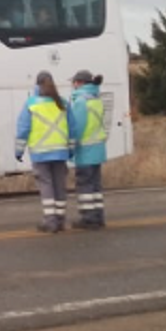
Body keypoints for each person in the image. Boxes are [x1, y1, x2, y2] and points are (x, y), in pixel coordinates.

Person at [14, 70, 73, 233]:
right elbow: (72, 127)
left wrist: (18, 151)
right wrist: (71, 149)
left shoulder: (31, 104)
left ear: (37, 85)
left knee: (46, 186)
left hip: (40, 153)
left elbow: (23, 129)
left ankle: (50, 221)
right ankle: (60, 220)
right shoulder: (63, 103)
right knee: (59, 185)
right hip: (60, 152)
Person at [67, 69, 108, 228]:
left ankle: (88, 218)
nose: (73, 85)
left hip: (85, 151)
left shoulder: (80, 102)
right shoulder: (96, 100)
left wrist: (70, 147)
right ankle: (98, 216)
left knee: (85, 186)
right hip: (97, 150)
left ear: (80, 83)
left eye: (74, 82)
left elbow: (77, 128)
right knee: (96, 187)